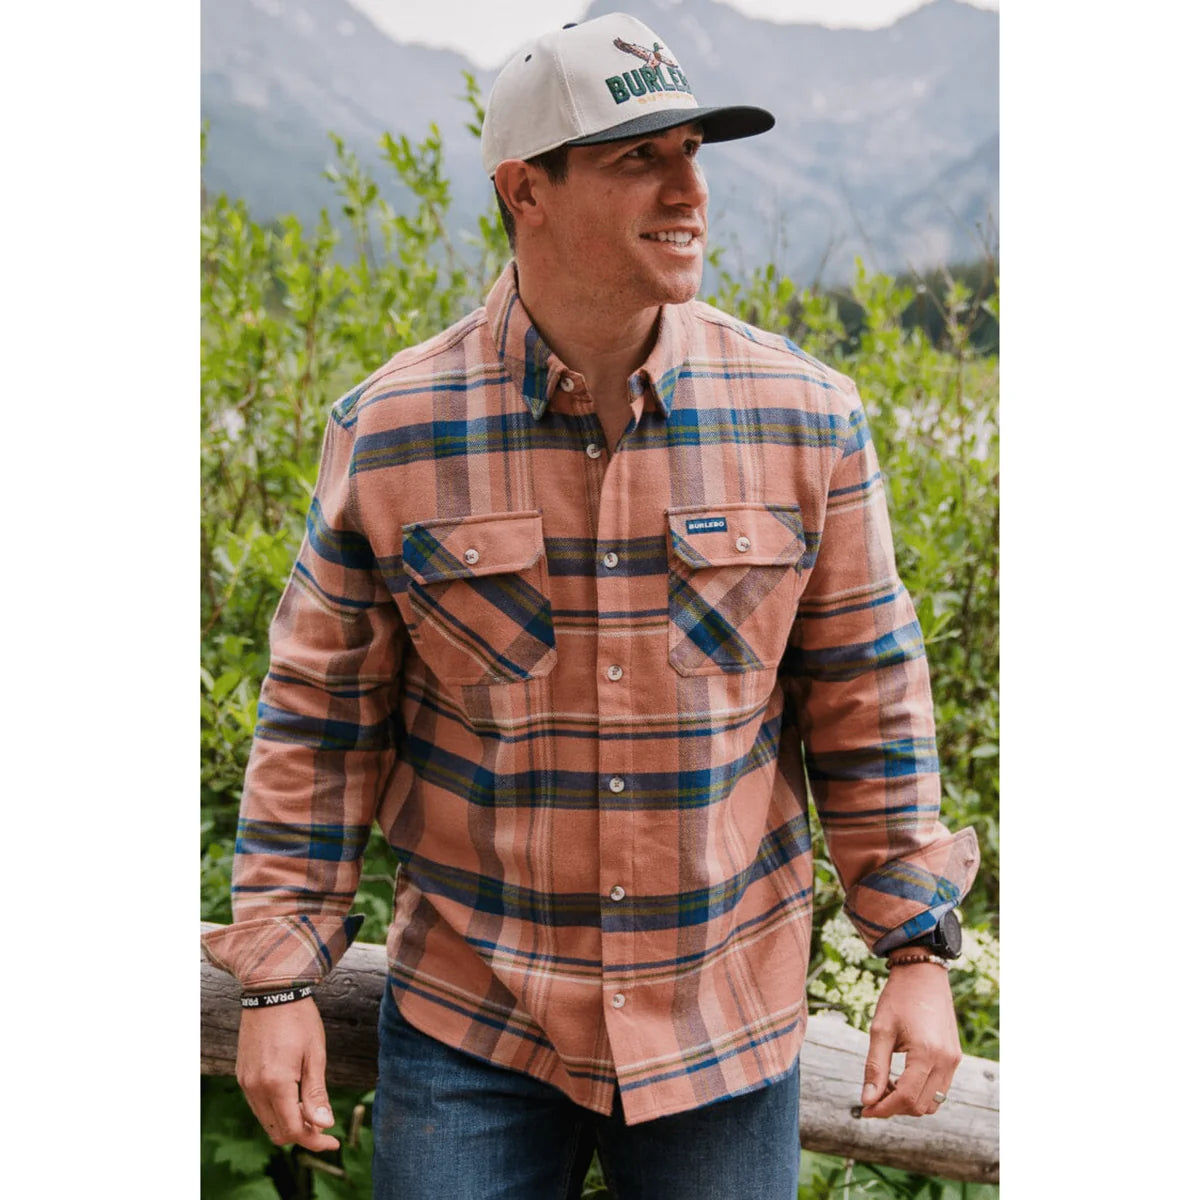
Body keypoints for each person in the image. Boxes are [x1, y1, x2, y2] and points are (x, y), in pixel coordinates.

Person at [202, 12, 980, 1198]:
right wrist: (275, 982)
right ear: (525, 190)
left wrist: (917, 952)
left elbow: (867, 694)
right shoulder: (391, 430)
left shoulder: (808, 417)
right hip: (474, 1023)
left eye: (693, 152)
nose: (689, 190)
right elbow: (318, 721)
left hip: (723, 1022)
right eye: (639, 157)